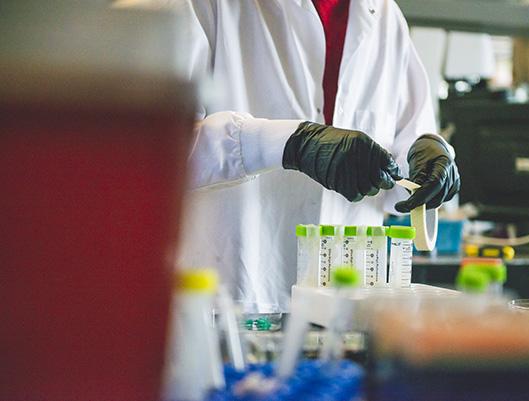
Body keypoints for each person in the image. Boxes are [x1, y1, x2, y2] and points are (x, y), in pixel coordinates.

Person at [124, 0, 460, 313]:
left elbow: (406, 146)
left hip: (345, 315)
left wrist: (427, 158)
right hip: (224, 308)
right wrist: (287, 143)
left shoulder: (384, 15)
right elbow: (145, 152)